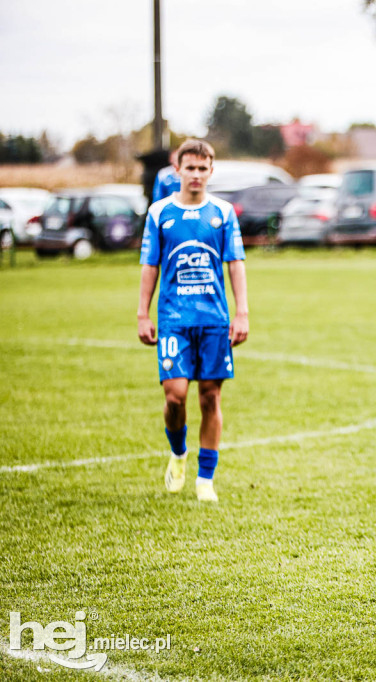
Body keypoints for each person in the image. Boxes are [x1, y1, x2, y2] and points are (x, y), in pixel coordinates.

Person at [137, 139, 249, 503]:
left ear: (211, 171)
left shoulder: (223, 212)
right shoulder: (159, 213)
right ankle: (179, 451)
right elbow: (150, 265)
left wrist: (241, 312)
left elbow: (235, 263)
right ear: (178, 171)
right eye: (191, 168)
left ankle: (205, 480)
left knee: (210, 396)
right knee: (175, 396)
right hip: (173, 318)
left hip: (214, 319)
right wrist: (143, 312)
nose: (197, 175)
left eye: (203, 169)